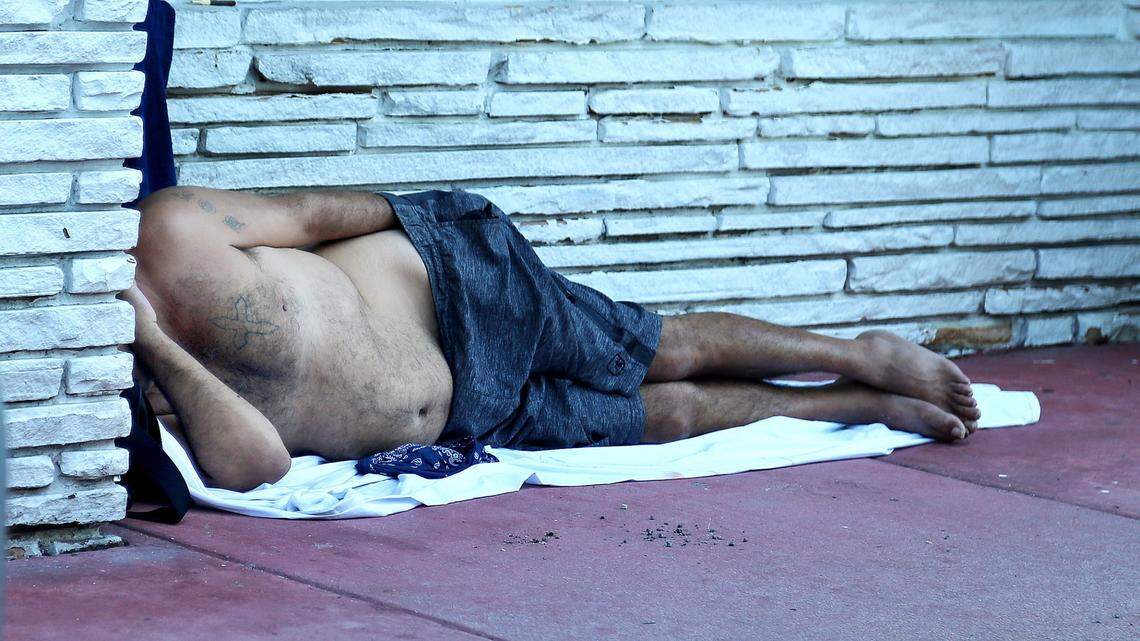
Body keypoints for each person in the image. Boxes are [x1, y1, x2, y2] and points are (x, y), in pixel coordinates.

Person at [124, 187, 981, 492]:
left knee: (663, 354)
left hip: (456, 289)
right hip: (470, 414)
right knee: (670, 417)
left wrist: (436, 219)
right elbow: (259, 466)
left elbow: (312, 216)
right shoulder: (126, 377)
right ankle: (863, 404)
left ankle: (857, 353)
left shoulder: (173, 227)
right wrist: (152, 343)